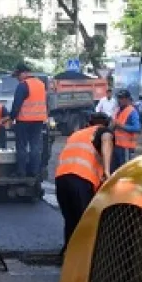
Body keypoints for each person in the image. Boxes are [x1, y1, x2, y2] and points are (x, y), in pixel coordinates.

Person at [55, 110, 114, 259]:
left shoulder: (76, 134)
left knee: (71, 219)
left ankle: (68, 253)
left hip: (61, 179)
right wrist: (107, 171)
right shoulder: (103, 131)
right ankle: (85, 259)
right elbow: (107, 139)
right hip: (81, 179)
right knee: (85, 220)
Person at [6, 64, 48, 179]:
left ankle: (21, 172)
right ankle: (34, 172)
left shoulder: (23, 85)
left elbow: (16, 106)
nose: (17, 78)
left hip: (24, 121)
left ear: (24, 73)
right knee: (35, 146)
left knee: (21, 147)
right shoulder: (41, 84)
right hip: (39, 121)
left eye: (18, 75)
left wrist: (11, 117)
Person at [110, 89, 141, 170]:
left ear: (127, 99)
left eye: (122, 98)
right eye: (119, 98)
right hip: (117, 145)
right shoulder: (118, 110)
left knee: (125, 169)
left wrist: (121, 126)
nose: (120, 100)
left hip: (126, 147)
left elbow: (137, 128)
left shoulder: (132, 111)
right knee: (115, 170)